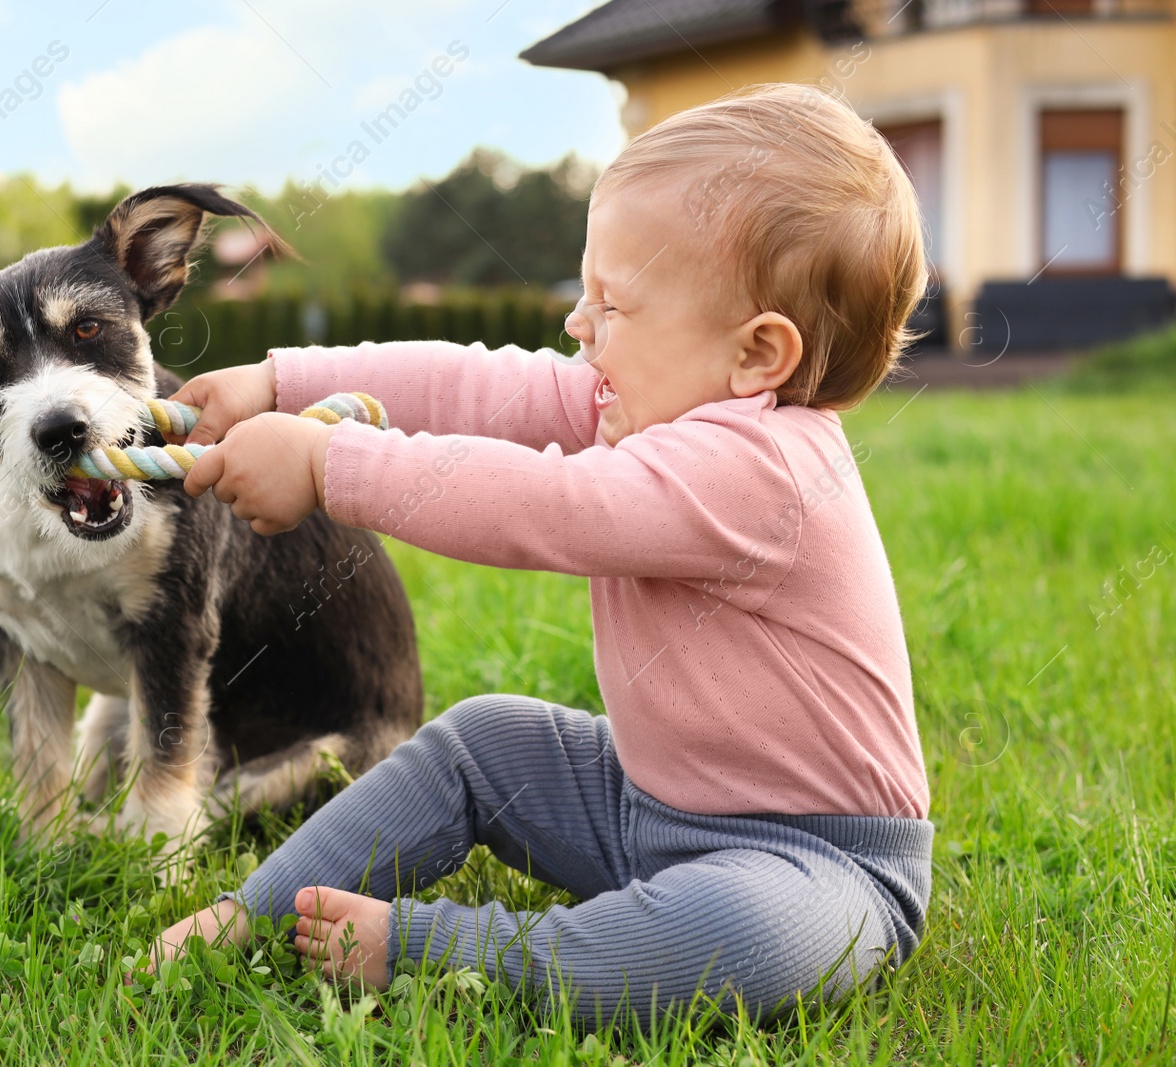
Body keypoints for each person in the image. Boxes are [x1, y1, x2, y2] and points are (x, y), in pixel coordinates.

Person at [149, 82, 934, 1029]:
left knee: (739, 934)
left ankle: (444, 948)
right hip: (642, 803)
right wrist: (288, 379)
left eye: (614, 304)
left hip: (815, 859)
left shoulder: (766, 466)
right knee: (484, 738)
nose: (578, 325)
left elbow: (553, 506)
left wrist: (330, 462)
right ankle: (250, 914)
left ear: (757, 353)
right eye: (583, 294)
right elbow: (480, 384)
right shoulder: (648, 395)